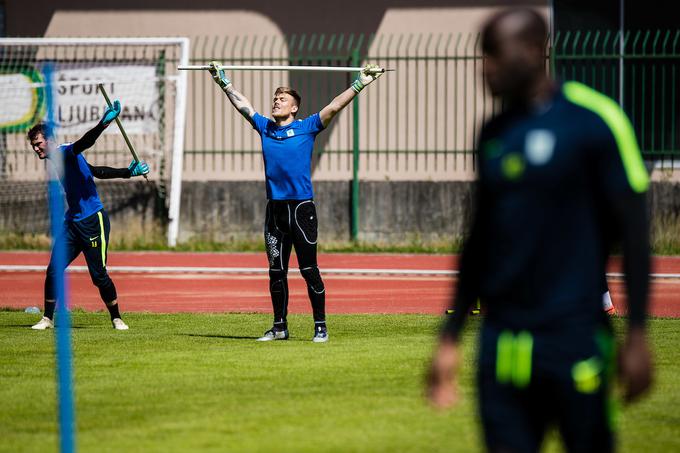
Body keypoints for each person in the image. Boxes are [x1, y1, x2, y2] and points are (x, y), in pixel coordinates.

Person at [427, 8, 653, 452]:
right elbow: (480, 240)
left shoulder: (595, 120)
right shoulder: (493, 132)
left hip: (574, 338)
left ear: (534, 51)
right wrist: (450, 337)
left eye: (494, 54)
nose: (484, 67)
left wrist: (640, 334)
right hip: (502, 345)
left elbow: (634, 234)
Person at [208, 61, 384, 342]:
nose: (276, 102)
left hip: (301, 210)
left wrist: (360, 83)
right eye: (275, 98)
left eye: (282, 99)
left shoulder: (308, 127)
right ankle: (279, 327)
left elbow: (334, 106)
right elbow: (243, 105)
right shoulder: (265, 128)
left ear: (294, 108)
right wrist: (223, 83)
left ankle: (320, 327)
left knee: (308, 270)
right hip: (275, 211)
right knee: (276, 271)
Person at [27, 103, 149, 331]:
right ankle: (47, 318)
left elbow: (85, 142)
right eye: (33, 146)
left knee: (98, 276)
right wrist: (127, 172)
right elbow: (95, 171)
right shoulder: (57, 158)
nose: (36, 149)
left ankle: (116, 318)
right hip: (72, 223)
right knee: (53, 269)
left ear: (50, 140)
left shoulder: (65, 152)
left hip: (94, 221)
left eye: (38, 144)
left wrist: (104, 123)